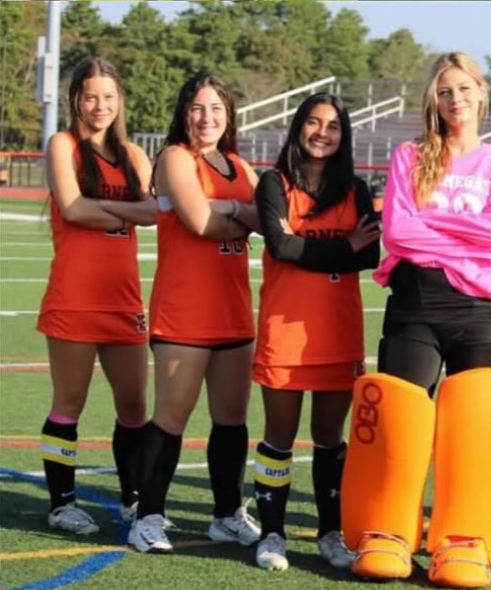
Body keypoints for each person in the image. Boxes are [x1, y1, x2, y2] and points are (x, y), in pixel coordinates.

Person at [341, 52, 491, 587]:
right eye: (445, 91)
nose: (455, 100)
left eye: (464, 89)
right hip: (415, 303)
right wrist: (462, 228)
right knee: (400, 418)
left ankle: (462, 539)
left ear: (481, 93)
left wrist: (435, 223)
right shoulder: (409, 156)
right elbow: (399, 233)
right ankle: (390, 531)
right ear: (433, 100)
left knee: (477, 423)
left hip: (482, 307)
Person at [128, 73, 262, 554]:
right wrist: (237, 212)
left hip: (233, 311)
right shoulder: (172, 158)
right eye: (197, 109)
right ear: (184, 113)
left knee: (231, 420)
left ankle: (227, 514)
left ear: (228, 116)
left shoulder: (238, 165)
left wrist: (228, 204)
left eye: (216, 110)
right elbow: (201, 223)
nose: (206, 118)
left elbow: (266, 218)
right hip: (184, 311)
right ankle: (147, 519)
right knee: (171, 418)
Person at [250, 93, 380, 571]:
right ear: (297, 127)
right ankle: (272, 534)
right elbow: (281, 247)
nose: (322, 132)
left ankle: (329, 533)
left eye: (333, 126)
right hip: (284, 330)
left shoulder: (355, 189)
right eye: (312, 122)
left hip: (338, 331)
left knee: (330, 437)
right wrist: (343, 245)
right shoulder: (273, 183)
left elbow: (370, 255)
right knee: (278, 437)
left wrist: (317, 247)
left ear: (344, 136)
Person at [38, 56, 156, 535]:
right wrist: (122, 209)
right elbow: (71, 207)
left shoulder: (134, 154)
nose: (100, 105)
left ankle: (132, 499)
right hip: (73, 295)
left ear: (119, 100)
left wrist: (103, 206)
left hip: (123, 299)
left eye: (108, 96)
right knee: (69, 403)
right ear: (75, 101)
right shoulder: (62, 144)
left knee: (134, 407)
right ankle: (61, 503)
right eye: (91, 96)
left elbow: (151, 212)